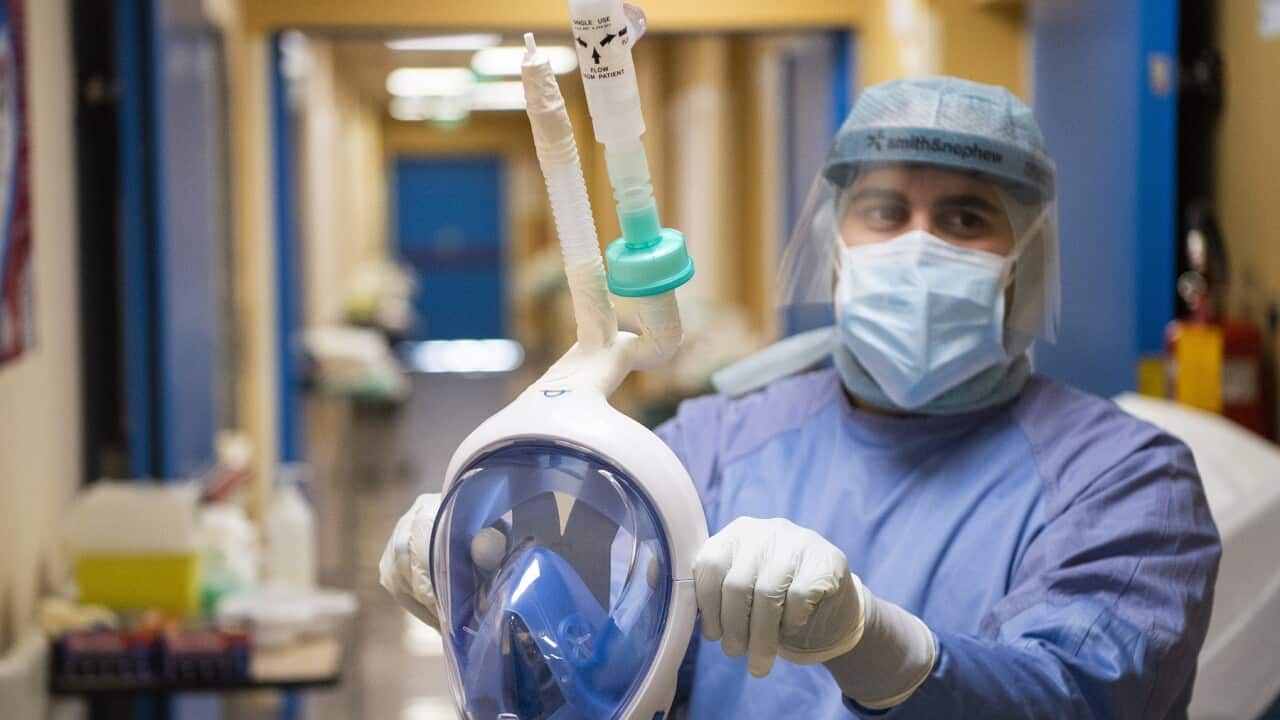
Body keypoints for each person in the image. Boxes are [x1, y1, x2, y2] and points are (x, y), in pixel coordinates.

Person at [383, 77, 1221, 718]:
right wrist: (487, 604)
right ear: (837, 240)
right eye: (885, 211)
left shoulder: (1126, 480)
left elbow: (1082, 692)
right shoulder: (710, 443)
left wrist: (876, 645)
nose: (918, 249)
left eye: (966, 219)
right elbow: (603, 677)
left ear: (1023, 259)